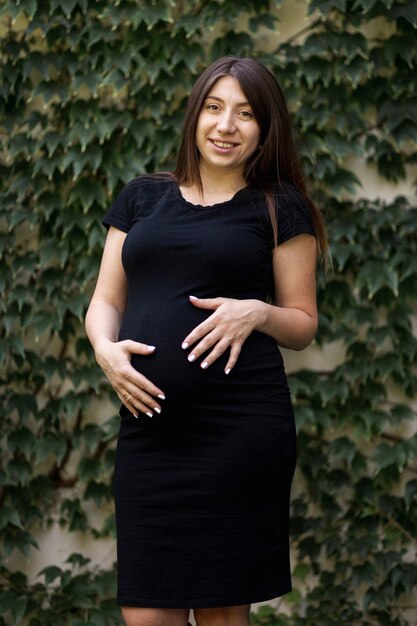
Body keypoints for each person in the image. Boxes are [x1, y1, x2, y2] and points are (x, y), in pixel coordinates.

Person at [85, 56, 326, 626]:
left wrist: (257, 312)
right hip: (150, 433)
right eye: (215, 108)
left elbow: (303, 323)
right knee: (146, 614)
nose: (226, 125)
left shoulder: (279, 206)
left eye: (245, 114)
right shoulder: (143, 198)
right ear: (195, 116)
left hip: (239, 432)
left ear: (265, 129)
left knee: (222, 613)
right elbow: (105, 301)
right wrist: (105, 349)